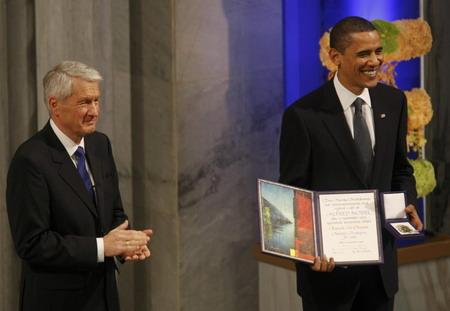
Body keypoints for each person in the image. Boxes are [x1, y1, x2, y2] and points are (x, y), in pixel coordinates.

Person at [279, 16, 423, 311]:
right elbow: (294, 194)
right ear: (335, 57)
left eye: (378, 51)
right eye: (363, 54)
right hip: (328, 278)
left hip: (380, 275)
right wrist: (308, 251)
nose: (375, 61)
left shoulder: (393, 102)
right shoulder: (303, 115)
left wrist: (406, 203)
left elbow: (400, 169)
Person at [6, 61, 152, 311]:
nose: (94, 111)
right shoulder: (30, 160)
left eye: (96, 101)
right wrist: (102, 247)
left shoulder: (100, 145)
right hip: (57, 302)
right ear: (55, 105)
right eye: (84, 102)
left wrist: (125, 243)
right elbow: (32, 244)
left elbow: (113, 213)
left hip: (103, 297)